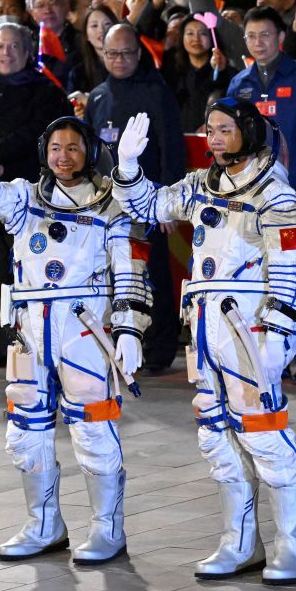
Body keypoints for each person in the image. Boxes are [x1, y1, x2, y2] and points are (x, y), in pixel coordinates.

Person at [112, 101, 296, 586]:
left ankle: (295, 546)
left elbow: (293, 266)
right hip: (205, 329)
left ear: (250, 131)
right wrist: (128, 167)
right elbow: (148, 206)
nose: (216, 138)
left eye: (226, 129)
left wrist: (278, 332)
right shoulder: (200, 186)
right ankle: (239, 542)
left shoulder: (274, 193)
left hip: (251, 330)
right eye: (210, 130)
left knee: (263, 433)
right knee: (215, 434)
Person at [0, 114, 153, 564]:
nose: (64, 157)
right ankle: (43, 524)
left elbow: (130, 267)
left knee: (93, 427)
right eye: (56, 148)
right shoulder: (25, 197)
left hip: (84, 327)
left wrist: (129, 328)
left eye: (74, 148)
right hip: (29, 327)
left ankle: (107, 529)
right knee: (26, 428)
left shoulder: (112, 202)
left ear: (91, 152)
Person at [0, 22, 75, 370]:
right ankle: (6, 345)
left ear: (27, 51)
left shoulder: (45, 90)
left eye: (14, 46)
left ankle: (41, 345)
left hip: (30, 201)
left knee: (34, 275)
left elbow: (41, 133)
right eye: (0, 46)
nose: (6, 53)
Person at [228, 6, 296, 384]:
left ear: (281, 37)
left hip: (295, 195)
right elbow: (230, 143)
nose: (258, 43)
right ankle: (268, 355)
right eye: (252, 36)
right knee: (259, 273)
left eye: (266, 35)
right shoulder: (239, 85)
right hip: (252, 198)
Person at [84, 23, 185, 374]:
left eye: (127, 53)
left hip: (147, 204)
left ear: (139, 54)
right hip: (107, 206)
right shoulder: (98, 96)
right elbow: (90, 154)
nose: (120, 59)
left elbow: (172, 149)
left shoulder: (157, 93)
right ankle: (125, 344)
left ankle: (160, 347)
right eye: (112, 53)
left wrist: (167, 202)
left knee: (151, 275)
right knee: (115, 278)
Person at [160, 15, 237, 133]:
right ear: (182, 37)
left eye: (203, 33)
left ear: (212, 37)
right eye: (190, 33)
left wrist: (222, 71)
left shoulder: (225, 70)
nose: (196, 38)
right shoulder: (171, 70)